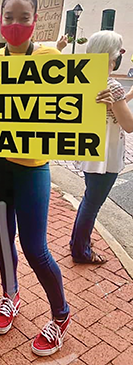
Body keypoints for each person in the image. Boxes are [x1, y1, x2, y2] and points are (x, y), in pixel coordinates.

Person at [0, 0, 113, 357]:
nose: (15, 24)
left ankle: (61, 313)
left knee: (34, 247)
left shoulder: (48, 56)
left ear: (34, 21)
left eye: (23, 18)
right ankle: (11, 294)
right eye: (8, 18)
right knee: (2, 241)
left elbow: (76, 94)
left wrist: (100, 96)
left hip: (31, 170)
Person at [70, 31, 133, 264]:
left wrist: (128, 96)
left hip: (90, 151)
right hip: (107, 154)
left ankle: (78, 241)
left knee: (89, 199)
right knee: (92, 204)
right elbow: (128, 125)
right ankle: (80, 250)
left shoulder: (86, 80)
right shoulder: (112, 85)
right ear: (112, 55)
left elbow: (111, 109)